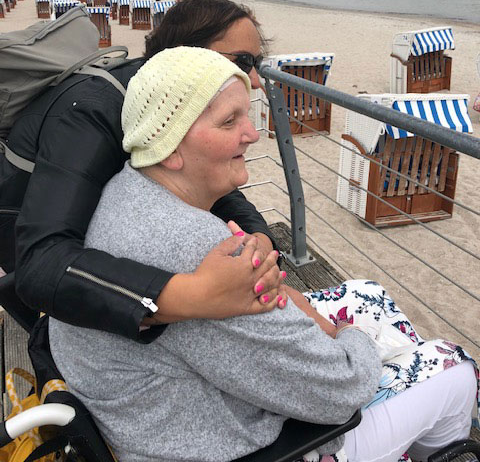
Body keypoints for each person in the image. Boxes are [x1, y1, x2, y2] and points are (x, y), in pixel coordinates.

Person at [49, 47, 478, 462]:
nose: (253, 133)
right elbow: (340, 391)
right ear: (169, 145)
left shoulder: (126, 191)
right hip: (248, 445)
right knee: (455, 371)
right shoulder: (199, 251)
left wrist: (302, 314)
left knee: (368, 291)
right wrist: (348, 334)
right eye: (229, 121)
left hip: (155, 422)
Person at [4, 0, 285, 343]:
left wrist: (260, 244)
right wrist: (196, 294)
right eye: (244, 61)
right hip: (23, 240)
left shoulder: (163, 106)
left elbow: (210, 187)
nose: (255, 79)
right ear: (185, 53)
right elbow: (40, 264)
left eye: (257, 63)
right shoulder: (93, 115)